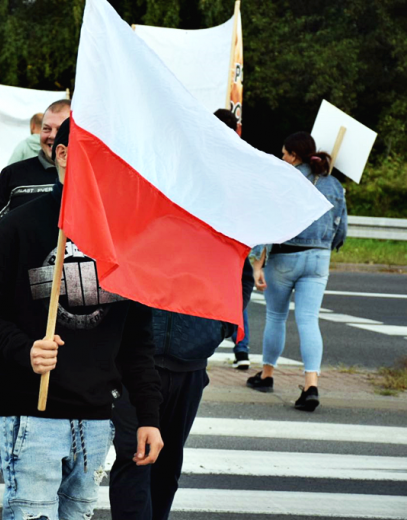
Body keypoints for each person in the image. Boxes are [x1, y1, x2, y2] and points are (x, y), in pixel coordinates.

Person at [0, 118, 163, 520]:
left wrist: (148, 417)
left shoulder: (124, 239)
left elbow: (137, 339)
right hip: (32, 414)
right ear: (62, 154)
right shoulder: (18, 227)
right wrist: (25, 350)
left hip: (96, 419)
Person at [109, 109, 255, 520]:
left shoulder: (225, 207)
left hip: (191, 361)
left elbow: (238, 276)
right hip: (140, 357)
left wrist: (221, 326)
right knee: (135, 459)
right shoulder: (157, 189)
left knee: (167, 466)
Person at [247, 131, 347, 412]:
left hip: (285, 257)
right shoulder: (334, 184)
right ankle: (310, 385)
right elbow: (342, 230)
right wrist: (325, 246)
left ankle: (266, 375)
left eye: (284, 153)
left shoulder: (286, 181)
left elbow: (268, 223)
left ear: (294, 156)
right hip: (319, 258)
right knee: (308, 320)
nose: (281, 158)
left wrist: (257, 263)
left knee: (276, 316)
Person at [0, 99, 70, 327]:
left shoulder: (87, 182)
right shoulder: (14, 177)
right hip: (19, 302)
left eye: (60, 129)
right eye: (46, 128)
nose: (51, 135)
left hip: (70, 304)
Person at [213, 108, 251, 369]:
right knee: (236, 289)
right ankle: (241, 346)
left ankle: (219, 337)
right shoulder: (243, 158)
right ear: (236, 129)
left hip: (209, 238)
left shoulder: (205, 153)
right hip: (235, 238)